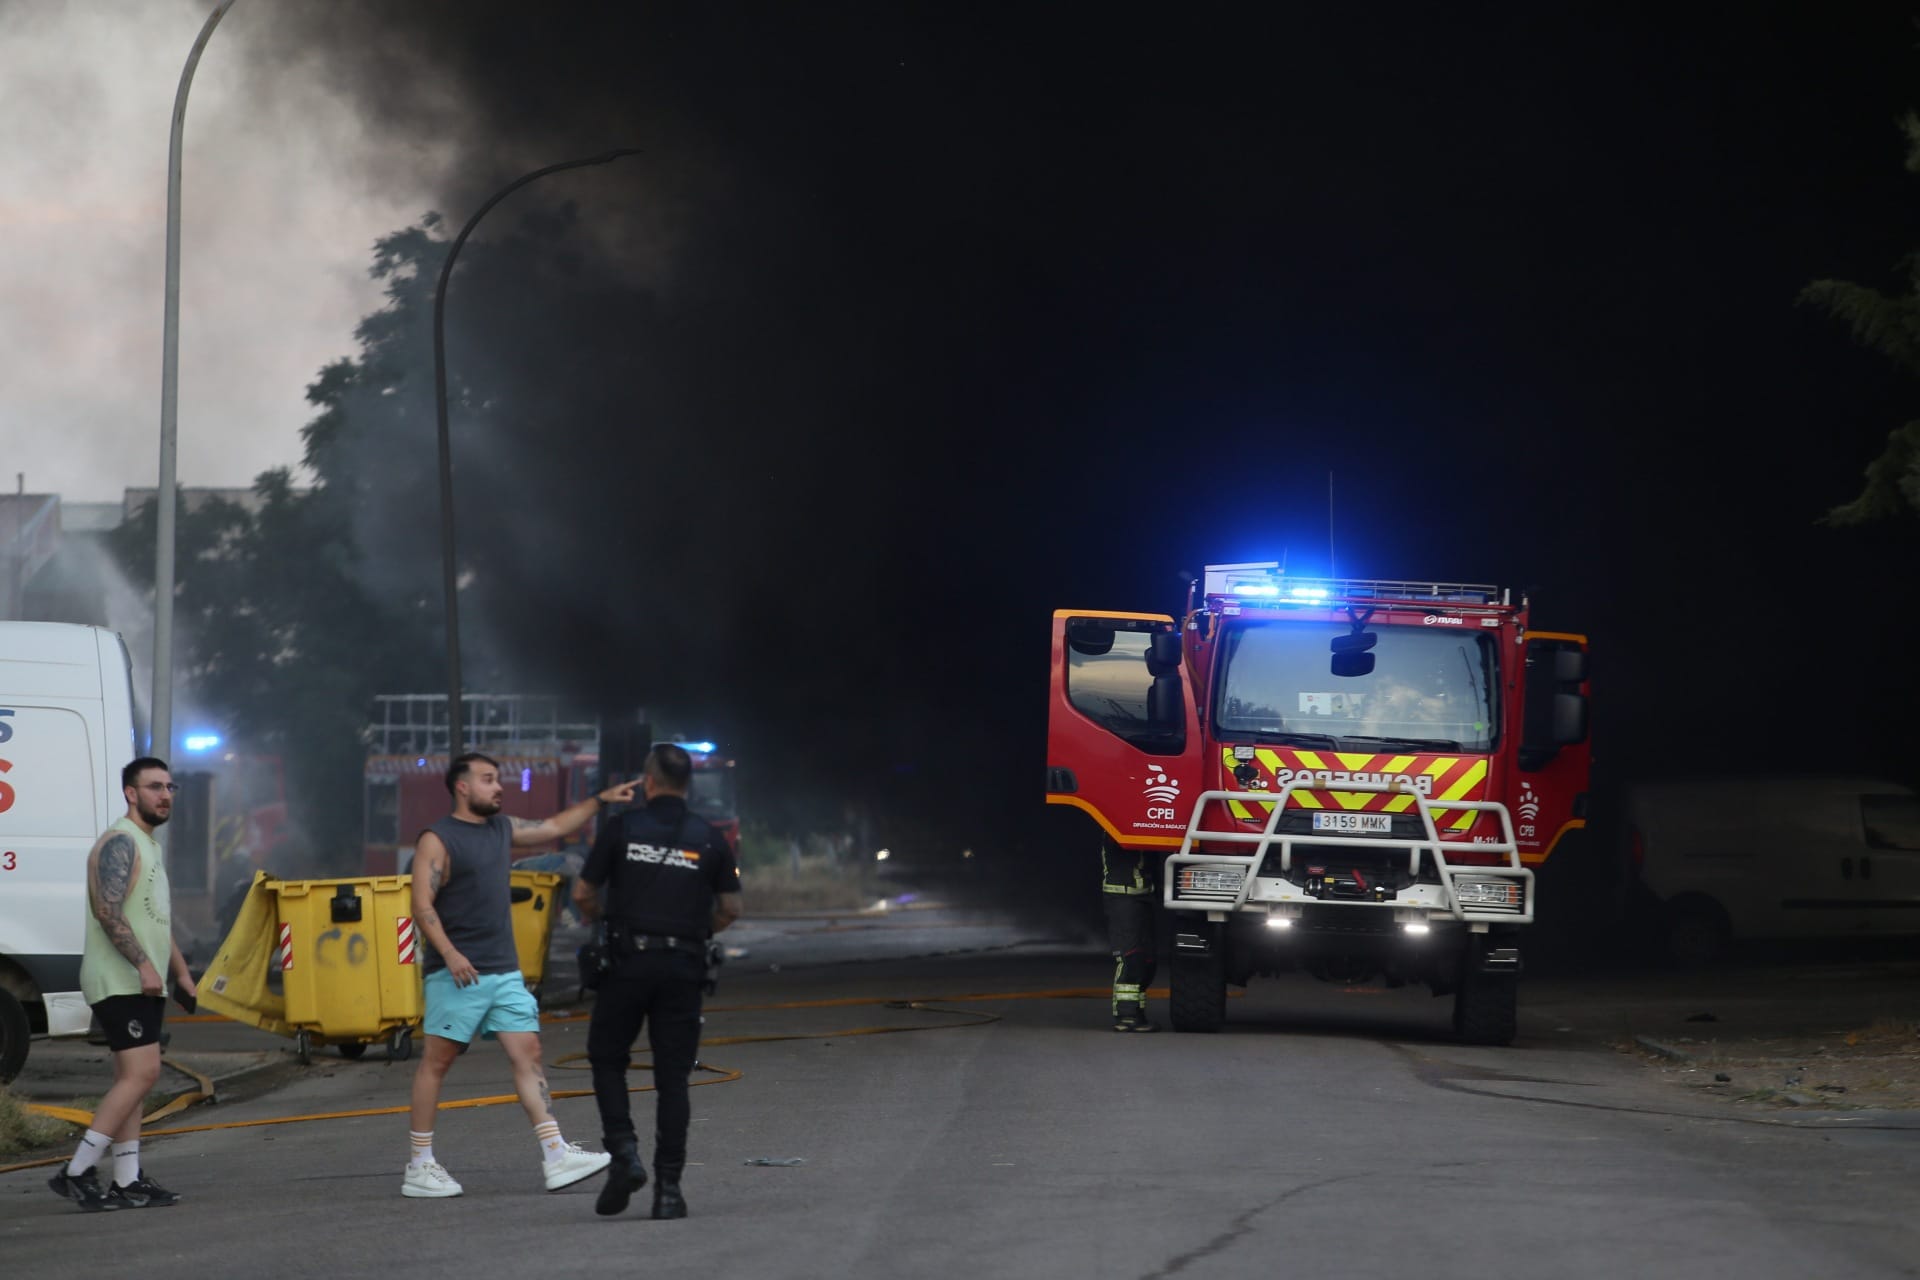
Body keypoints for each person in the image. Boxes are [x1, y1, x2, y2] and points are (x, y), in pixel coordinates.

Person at [401, 752, 638, 1199]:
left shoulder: (501, 828)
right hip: (458, 974)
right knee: (437, 1063)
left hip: (504, 971)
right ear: (462, 787)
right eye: (488, 779)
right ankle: (419, 1165)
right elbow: (421, 905)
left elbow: (553, 827)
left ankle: (556, 1154)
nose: (499, 787)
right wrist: (450, 954)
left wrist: (601, 799)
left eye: (498, 779)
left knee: (528, 1054)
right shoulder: (438, 838)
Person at [573, 743, 742, 1219]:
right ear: (687, 785)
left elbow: (583, 893)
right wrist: (698, 930)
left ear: (648, 782)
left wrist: (606, 920)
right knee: (673, 1079)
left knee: (608, 1057)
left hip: (627, 963)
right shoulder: (710, 838)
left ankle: (624, 1153)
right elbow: (731, 907)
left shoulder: (621, 829)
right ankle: (669, 1191)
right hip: (683, 968)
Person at [48, 758, 197, 1212]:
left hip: (141, 981)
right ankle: (76, 1171)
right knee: (143, 1073)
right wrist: (145, 966)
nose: (164, 795)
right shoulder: (120, 842)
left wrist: (180, 972)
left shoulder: (147, 846)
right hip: (118, 979)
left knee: (133, 1080)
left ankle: (127, 1179)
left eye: (169, 787)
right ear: (131, 793)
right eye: (154, 787)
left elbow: (154, 919)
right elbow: (107, 912)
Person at [1103, 840, 1158, 1032]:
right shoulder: (1114, 828)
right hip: (1122, 898)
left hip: (1143, 896)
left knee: (1147, 961)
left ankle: (1137, 1013)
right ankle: (1126, 1016)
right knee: (1130, 958)